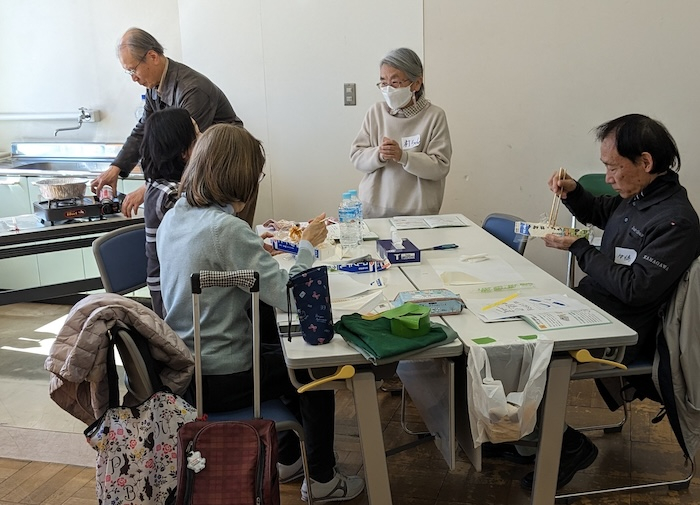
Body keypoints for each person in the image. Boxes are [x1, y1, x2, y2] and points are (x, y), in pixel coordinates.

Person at [156, 124, 365, 502]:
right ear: (241, 177)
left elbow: (220, 266)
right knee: (314, 371)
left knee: (280, 354)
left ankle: (286, 459)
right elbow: (291, 297)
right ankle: (322, 481)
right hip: (223, 375)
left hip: (187, 368)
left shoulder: (175, 216)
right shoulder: (226, 230)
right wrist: (307, 246)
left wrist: (254, 251)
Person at [520, 114, 700, 491]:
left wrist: (581, 249)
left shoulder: (675, 222)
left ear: (646, 163)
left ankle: (565, 445)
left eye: (613, 167)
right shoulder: (640, 196)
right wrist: (573, 193)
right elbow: (602, 212)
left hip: (622, 332)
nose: (608, 177)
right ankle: (528, 436)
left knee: (520, 353)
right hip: (592, 309)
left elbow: (636, 289)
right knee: (510, 326)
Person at [90, 28, 258, 226]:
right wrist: (116, 168)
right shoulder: (154, 87)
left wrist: (148, 189)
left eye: (133, 70)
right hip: (204, 172)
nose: (133, 78)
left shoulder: (193, 89)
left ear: (152, 56)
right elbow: (144, 130)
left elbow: (185, 149)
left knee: (231, 238)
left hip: (231, 169)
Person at [350, 47, 452, 218]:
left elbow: (440, 167)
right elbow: (357, 157)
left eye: (395, 82)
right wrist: (379, 154)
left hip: (418, 216)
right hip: (374, 211)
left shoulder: (434, 116)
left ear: (417, 83)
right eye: (383, 82)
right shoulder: (375, 112)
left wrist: (403, 157)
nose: (388, 89)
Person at [139, 107, 199, 318]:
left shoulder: (165, 186)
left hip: (176, 284)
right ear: (183, 152)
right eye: (197, 137)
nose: (203, 140)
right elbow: (203, 235)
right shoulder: (171, 194)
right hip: (171, 298)